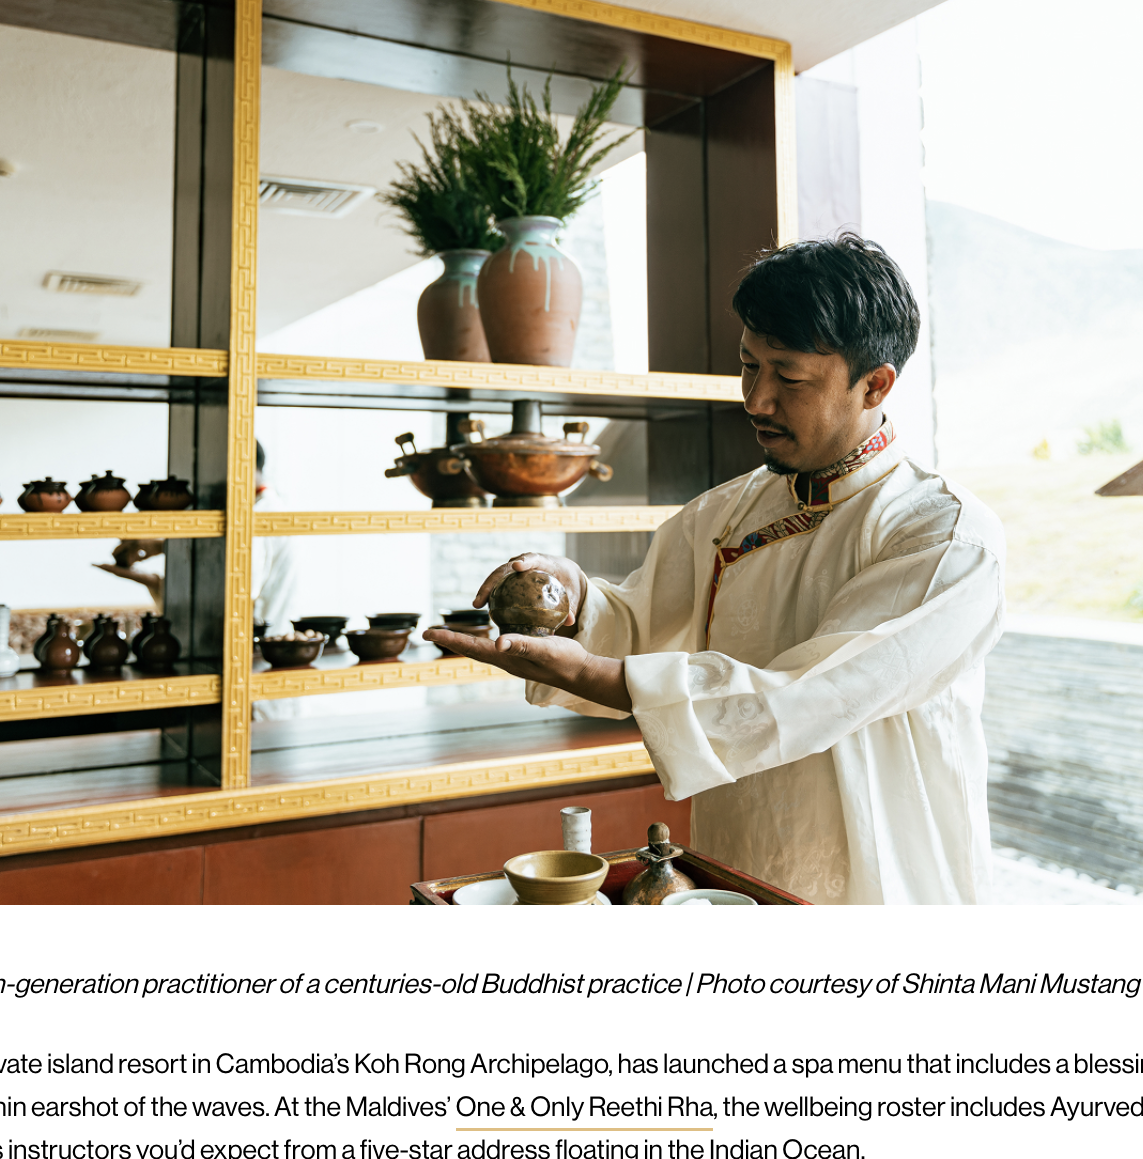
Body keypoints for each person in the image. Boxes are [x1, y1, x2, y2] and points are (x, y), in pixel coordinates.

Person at [430, 234, 1006, 904]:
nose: (756, 400)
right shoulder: (725, 512)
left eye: (788, 376)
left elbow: (809, 693)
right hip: (734, 870)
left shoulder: (944, 534)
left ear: (874, 384)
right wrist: (575, 599)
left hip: (885, 884)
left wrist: (596, 676)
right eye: (747, 366)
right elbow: (642, 625)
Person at [94, 439, 300, 633]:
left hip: (255, 639)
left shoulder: (261, 512)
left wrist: (160, 560)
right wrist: (161, 550)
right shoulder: (252, 507)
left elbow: (237, 588)